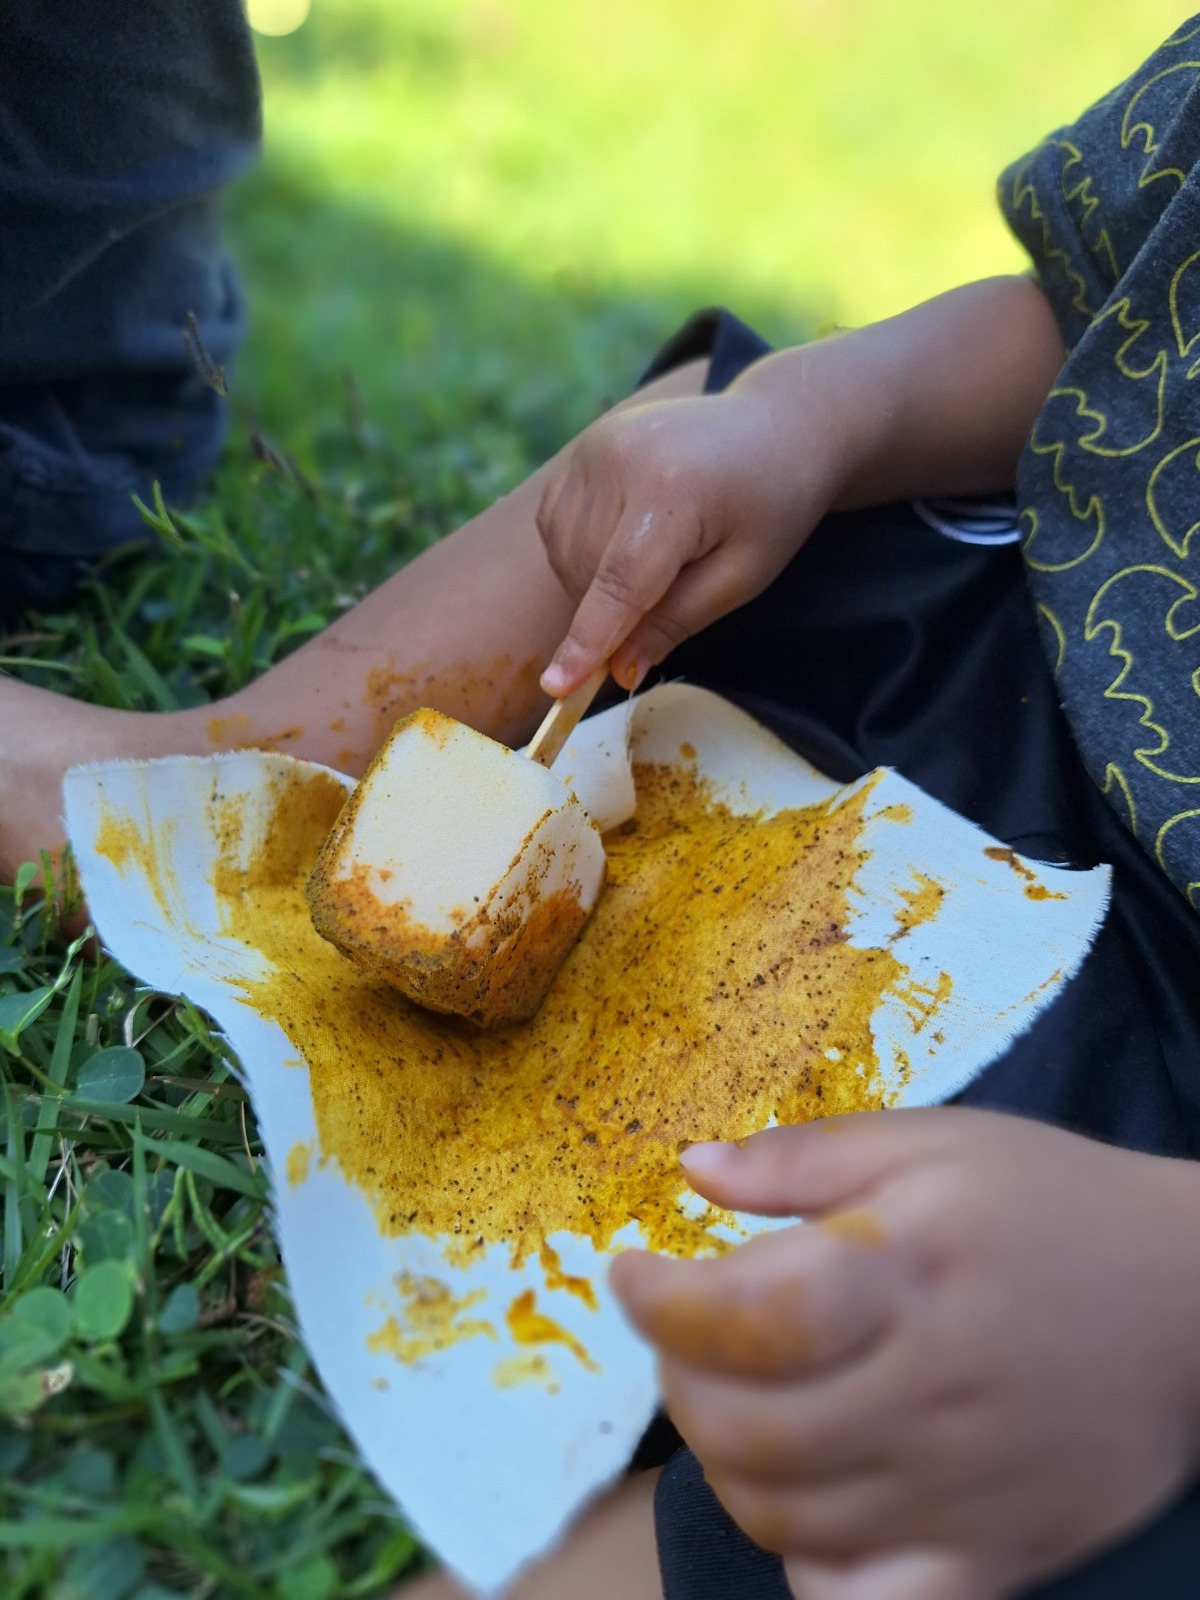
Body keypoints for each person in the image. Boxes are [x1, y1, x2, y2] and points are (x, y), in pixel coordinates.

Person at [5, 11, 1200, 1600]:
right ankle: (242, 768)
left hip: (1140, 1087)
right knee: (693, 450)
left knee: (945, 1441)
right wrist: (820, 414)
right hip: (1010, 627)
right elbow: (1103, 317)